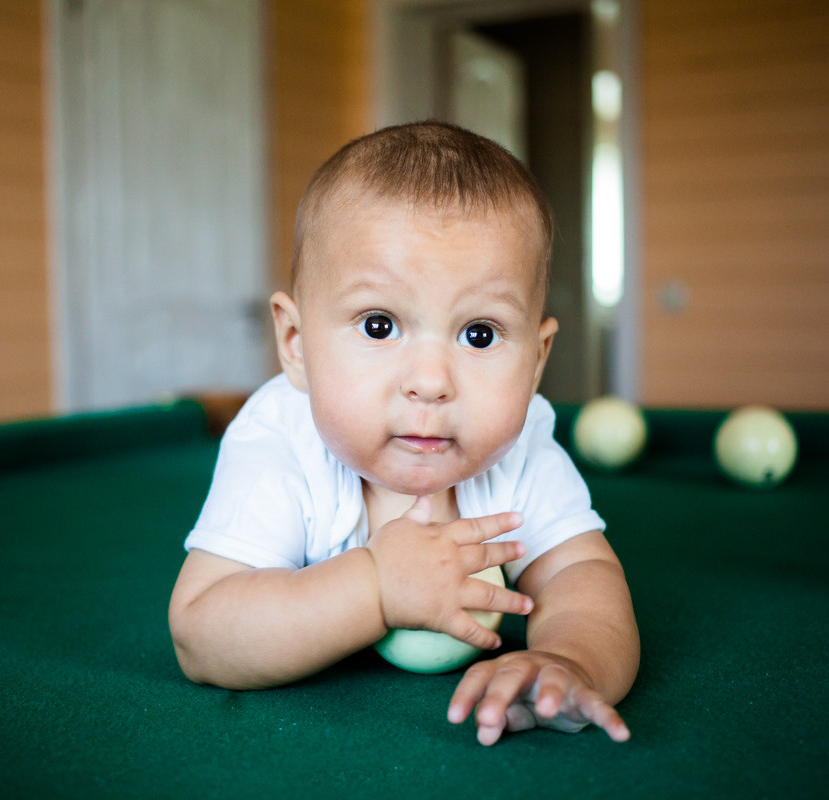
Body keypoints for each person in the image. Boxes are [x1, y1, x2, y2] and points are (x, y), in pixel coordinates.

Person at [169, 121, 639, 746]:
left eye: (479, 334)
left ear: (536, 361)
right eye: (379, 325)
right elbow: (202, 634)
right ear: (296, 344)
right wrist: (375, 588)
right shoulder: (278, 440)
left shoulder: (521, 447)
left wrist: (571, 660)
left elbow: (582, 577)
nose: (429, 382)